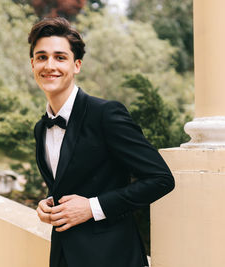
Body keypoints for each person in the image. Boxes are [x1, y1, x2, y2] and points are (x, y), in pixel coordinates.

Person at [29, 17, 175, 267]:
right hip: (63, 256)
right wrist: (47, 203)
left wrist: (92, 208)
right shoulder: (41, 127)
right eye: (42, 57)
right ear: (32, 64)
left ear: (77, 65)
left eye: (60, 57)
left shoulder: (106, 114)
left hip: (113, 257)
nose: (49, 65)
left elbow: (161, 179)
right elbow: (69, 181)